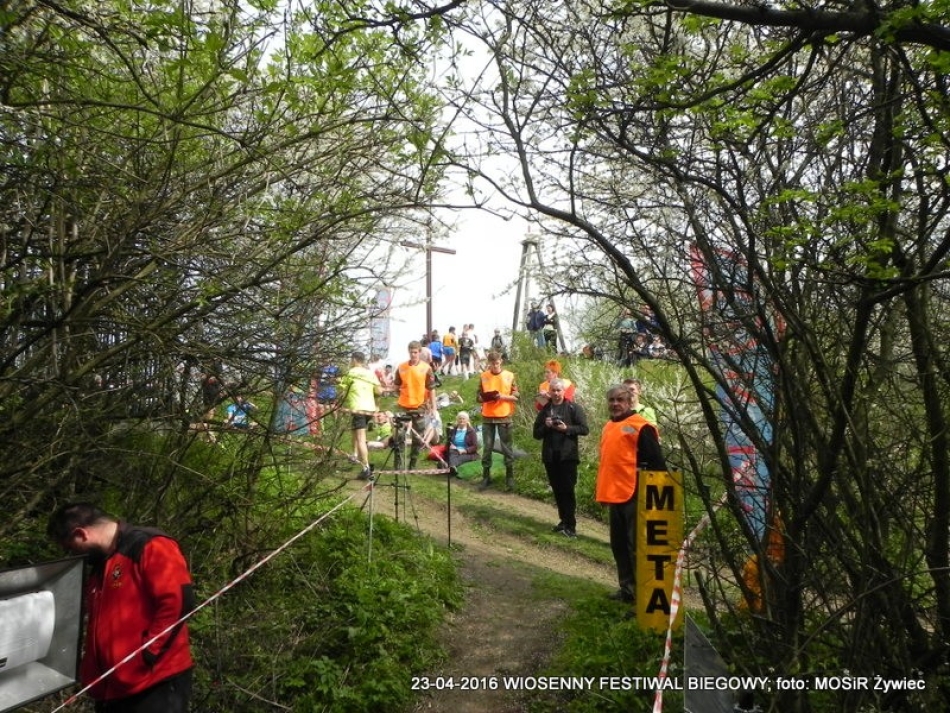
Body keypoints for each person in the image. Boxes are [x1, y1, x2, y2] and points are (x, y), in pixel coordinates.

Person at [47, 502, 195, 713]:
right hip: (113, 688)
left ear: (81, 534)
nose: (72, 554)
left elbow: (178, 601)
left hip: (154, 683)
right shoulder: (100, 565)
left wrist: (148, 654)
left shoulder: (149, 545)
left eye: (70, 547)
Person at [595, 386, 666, 604]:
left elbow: (657, 463)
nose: (615, 404)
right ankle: (627, 589)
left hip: (634, 493)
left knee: (636, 546)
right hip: (613, 493)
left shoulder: (641, 427)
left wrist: (656, 499)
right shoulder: (608, 426)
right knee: (619, 545)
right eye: (612, 400)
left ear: (629, 401)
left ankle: (644, 596)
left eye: (620, 400)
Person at [532, 379, 589, 538]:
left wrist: (567, 428)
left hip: (568, 456)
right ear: (549, 392)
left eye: (559, 390)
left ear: (564, 391)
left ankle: (571, 525)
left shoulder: (573, 408)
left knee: (568, 490)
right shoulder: (545, 410)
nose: (556, 394)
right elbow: (536, 434)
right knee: (557, 489)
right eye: (553, 390)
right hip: (551, 456)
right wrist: (547, 426)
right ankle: (563, 521)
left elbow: (584, 429)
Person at [476, 351, 519, 490]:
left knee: (507, 447)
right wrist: (484, 398)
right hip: (488, 416)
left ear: (501, 361)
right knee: (487, 448)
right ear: (489, 363)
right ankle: (486, 477)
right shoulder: (483, 376)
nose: (494, 365)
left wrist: (502, 397)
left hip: (504, 415)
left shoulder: (509, 376)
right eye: (492, 363)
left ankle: (510, 477)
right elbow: (478, 396)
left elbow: (516, 395)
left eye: (497, 362)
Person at [392, 340, 437, 470]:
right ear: (408, 352)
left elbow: (432, 388)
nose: (413, 355)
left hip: (420, 406)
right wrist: (392, 391)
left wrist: (433, 407)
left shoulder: (426, 368)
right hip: (403, 405)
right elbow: (396, 385)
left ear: (419, 352)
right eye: (411, 352)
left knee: (418, 437)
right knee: (399, 436)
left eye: (415, 352)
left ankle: (413, 464)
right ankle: (398, 464)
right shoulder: (401, 367)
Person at [339, 350, 382, 479]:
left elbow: (342, 388)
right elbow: (379, 391)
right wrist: (377, 405)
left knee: (361, 438)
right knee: (354, 431)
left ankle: (366, 467)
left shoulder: (350, 372)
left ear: (354, 360)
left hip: (358, 408)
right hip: (369, 408)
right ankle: (354, 455)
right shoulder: (370, 373)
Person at [446, 411, 479, 475]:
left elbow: (475, 446)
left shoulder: (471, 431)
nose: (461, 420)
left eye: (463, 419)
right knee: (452, 453)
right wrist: (450, 445)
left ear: (467, 420)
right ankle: (451, 467)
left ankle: (448, 466)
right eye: (460, 418)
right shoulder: (453, 430)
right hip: (454, 451)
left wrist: (464, 450)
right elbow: (448, 442)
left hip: (467, 453)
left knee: (460, 458)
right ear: (457, 420)